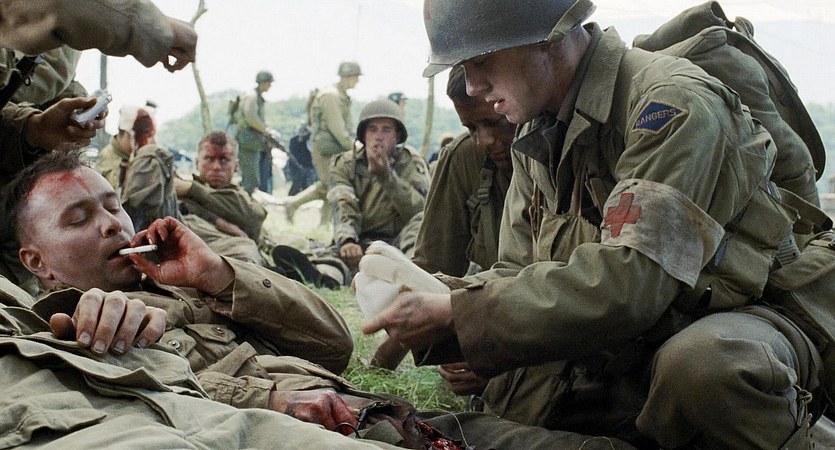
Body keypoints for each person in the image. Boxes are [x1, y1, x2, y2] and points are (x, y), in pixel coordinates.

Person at [362, 0, 830, 448]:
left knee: (704, 366)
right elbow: (516, 269)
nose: (471, 87)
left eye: (481, 61)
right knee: (516, 390)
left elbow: (631, 285)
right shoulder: (538, 129)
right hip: (650, 328)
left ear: (547, 38)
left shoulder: (670, 105)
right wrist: (441, 299)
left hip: (755, 313)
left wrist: (455, 312)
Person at [4, 150, 368, 432]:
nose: (112, 224)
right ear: (37, 262)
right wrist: (268, 400)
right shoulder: (60, 334)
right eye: (78, 219)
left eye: (114, 206)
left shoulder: (191, 284)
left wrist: (218, 274)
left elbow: (335, 346)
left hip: (370, 414)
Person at [374, 64, 516, 375]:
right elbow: (433, 267)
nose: (483, 140)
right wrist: (380, 363)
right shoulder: (466, 158)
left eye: (494, 122)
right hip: (497, 308)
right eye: (472, 129)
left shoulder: (560, 148)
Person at [328, 99, 430, 274]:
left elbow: (420, 211)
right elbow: (343, 205)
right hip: (360, 241)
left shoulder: (410, 162)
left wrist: (387, 177)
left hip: (400, 242)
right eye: (372, 129)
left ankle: (414, 271)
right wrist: (347, 241)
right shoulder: (345, 164)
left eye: (386, 130)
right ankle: (329, 273)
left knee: (420, 228)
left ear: (397, 136)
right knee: (331, 265)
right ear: (363, 135)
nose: (378, 136)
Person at [283, 61, 362, 225]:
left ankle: (323, 224)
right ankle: (293, 205)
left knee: (330, 185)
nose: (358, 80)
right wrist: (354, 148)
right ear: (348, 76)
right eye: (356, 76)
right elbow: (338, 129)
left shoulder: (338, 95)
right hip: (326, 149)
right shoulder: (331, 96)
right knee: (330, 185)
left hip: (333, 148)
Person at [175, 130, 267, 242]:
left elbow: (254, 217)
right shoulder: (184, 194)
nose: (216, 167)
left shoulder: (241, 198)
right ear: (197, 163)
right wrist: (217, 221)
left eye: (224, 160)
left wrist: (192, 189)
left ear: (236, 166)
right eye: (209, 159)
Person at [235, 70, 276, 194]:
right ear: (263, 82)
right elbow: (251, 117)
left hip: (253, 140)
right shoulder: (252, 96)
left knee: (253, 178)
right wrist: (265, 130)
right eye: (269, 83)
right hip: (249, 139)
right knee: (250, 180)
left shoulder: (255, 96)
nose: (270, 86)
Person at [97, 104, 150, 190]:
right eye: (138, 137)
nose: (142, 142)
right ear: (127, 134)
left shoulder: (141, 156)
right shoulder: (106, 158)